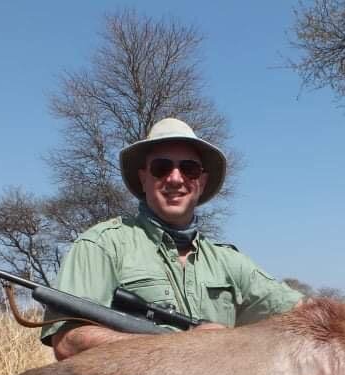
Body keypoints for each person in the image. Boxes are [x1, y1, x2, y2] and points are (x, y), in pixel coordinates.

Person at [41, 117, 303, 359]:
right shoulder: (102, 244)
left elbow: (301, 312)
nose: (175, 178)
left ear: (200, 182)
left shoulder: (229, 261)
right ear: (143, 178)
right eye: (161, 167)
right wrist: (177, 345)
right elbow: (68, 341)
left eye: (189, 169)